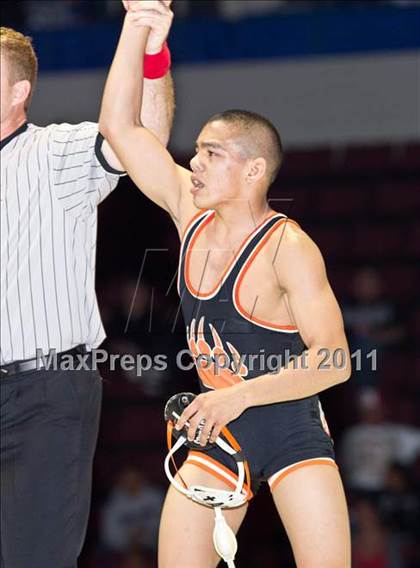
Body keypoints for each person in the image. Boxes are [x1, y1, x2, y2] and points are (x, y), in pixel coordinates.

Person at [99, 3, 352, 566]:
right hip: (218, 430)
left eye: (212, 153)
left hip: (288, 426)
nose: (194, 163)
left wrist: (237, 395)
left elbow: (335, 361)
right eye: (198, 151)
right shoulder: (189, 213)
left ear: (254, 170)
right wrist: (139, 30)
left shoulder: (289, 247)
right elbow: (121, 128)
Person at [0, 2, 174, 566]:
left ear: (18, 91)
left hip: (43, 392)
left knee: (35, 558)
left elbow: (141, 134)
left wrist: (148, 44)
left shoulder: (53, 153)